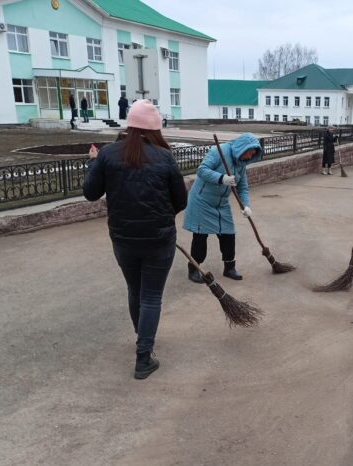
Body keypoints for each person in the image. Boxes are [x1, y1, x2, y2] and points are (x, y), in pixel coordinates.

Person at [83, 99, 188, 379]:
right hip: (159, 239)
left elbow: (91, 193)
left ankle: (142, 336)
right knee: (151, 295)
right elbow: (181, 200)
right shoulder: (164, 157)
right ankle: (144, 355)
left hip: (123, 239)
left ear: (130, 125)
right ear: (154, 129)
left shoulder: (107, 154)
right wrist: (163, 218)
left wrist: (92, 164)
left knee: (135, 290)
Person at [183, 133, 262, 283]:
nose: (251, 155)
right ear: (243, 148)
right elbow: (202, 170)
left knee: (228, 233)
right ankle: (194, 268)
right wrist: (222, 178)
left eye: (254, 154)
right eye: (251, 152)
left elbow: (243, 188)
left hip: (221, 203)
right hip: (202, 200)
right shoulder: (219, 151)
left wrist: (246, 206)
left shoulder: (241, 164)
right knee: (200, 235)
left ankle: (229, 268)